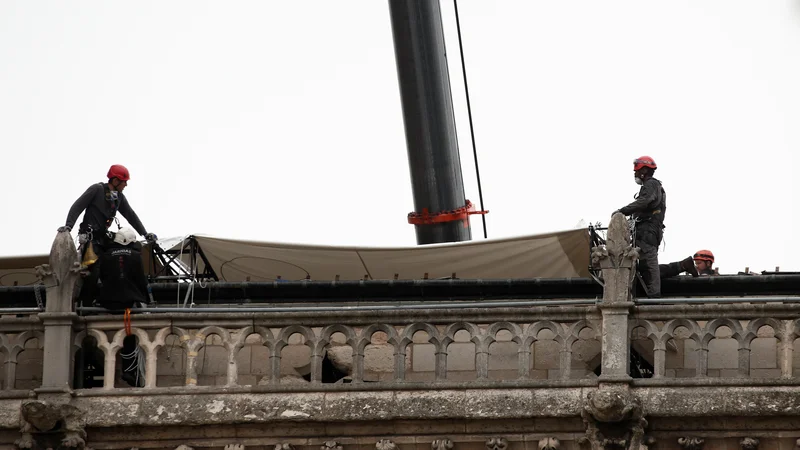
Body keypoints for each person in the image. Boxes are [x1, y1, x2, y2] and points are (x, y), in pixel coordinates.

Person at [56, 164, 156, 302]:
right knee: (94, 270)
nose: (126, 184)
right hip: (90, 239)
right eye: (124, 181)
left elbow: (130, 215)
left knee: (120, 256)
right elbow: (78, 206)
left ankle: (110, 297)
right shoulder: (96, 190)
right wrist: (68, 226)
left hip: (103, 238)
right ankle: (86, 304)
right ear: (115, 181)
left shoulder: (119, 197)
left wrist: (145, 234)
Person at [96, 227, 150, 387]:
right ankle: (129, 370)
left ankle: (112, 368)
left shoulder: (104, 256)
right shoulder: (135, 256)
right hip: (129, 302)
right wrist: (146, 299)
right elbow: (141, 280)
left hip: (107, 303)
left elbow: (103, 278)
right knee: (130, 334)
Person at [613, 156, 666, 298]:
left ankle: (654, 295)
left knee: (649, 262)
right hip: (648, 229)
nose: (635, 173)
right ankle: (647, 293)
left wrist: (622, 211)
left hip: (648, 229)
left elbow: (644, 201)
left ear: (644, 170)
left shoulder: (651, 184)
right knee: (642, 263)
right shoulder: (653, 186)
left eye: (636, 170)